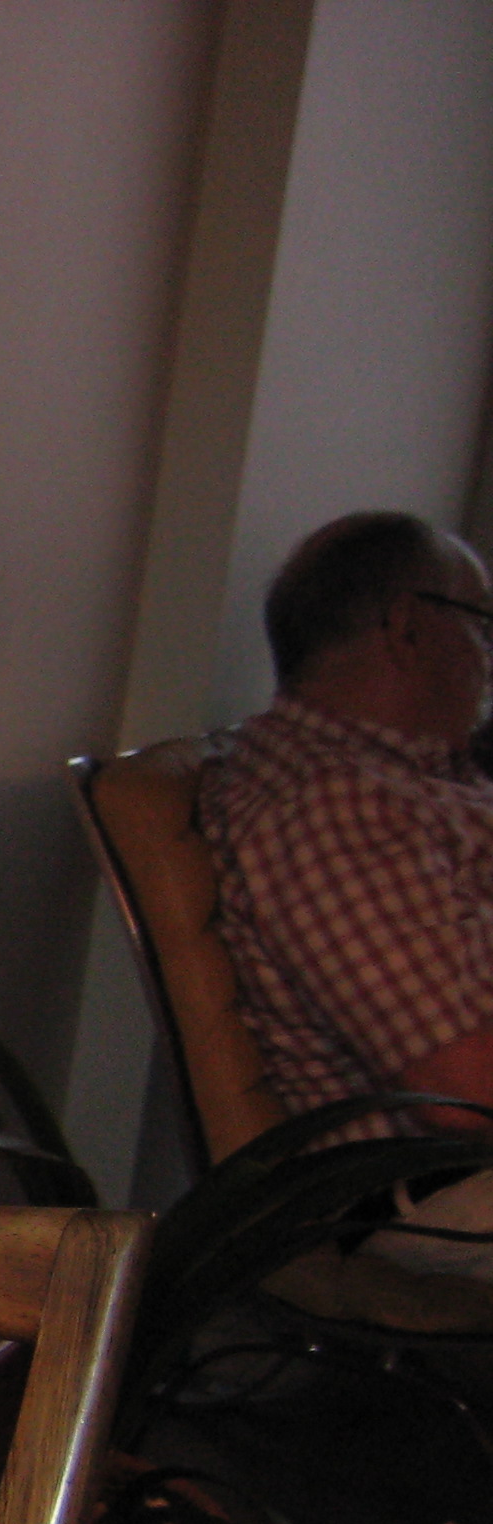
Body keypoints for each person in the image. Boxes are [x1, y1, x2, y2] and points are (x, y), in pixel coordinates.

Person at [200, 511, 493, 1273]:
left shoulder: (413, 779)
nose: (488, 659)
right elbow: (463, 1091)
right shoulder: (337, 806)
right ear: (407, 628)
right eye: (482, 626)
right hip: (435, 1188)